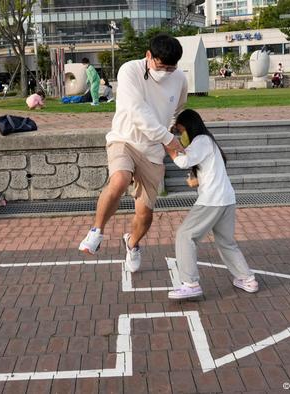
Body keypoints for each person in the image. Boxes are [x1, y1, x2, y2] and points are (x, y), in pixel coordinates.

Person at [78, 33, 188, 272]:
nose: (166, 72)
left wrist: (169, 132)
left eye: (172, 67)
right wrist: (169, 140)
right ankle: (96, 231)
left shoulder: (179, 78)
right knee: (119, 180)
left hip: (152, 150)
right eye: (161, 66)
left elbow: (177, 108)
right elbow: (137, 112)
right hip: (125, 138)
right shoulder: (130, 71)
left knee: (145, 214)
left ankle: (132, 242)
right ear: (149, 56)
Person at [164, 109, 258, 299]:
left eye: (181, 131)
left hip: (212, 200)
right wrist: (196, 181)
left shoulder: (201, 141)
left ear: (189, 127)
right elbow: (212, 171)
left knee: (185, 236)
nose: (180, 136)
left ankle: (190, 283)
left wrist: (166, 143)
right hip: (226, 199)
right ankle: (247, 279)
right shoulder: (209, 142)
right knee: (226, 242)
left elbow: (183, 161)